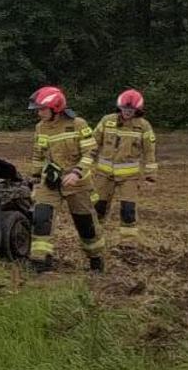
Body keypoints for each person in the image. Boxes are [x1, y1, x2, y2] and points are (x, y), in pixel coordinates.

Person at [27, 86, 104, 272]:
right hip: (51, 182)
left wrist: (77, 172)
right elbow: (38, 155)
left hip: (77, 183)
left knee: (85, 224)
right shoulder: (40, 127)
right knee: (41, 217)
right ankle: (40, 261)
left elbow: (91, 151)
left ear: (56, 108)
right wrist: (35, 179)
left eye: (42, 109)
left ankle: (96, 259)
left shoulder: (78, 124)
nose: (38, 113)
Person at [90, 89, 158, 243]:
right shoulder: (107, 121)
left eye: (131, 109)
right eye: (125, 108)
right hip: (103, 175)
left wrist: (150, 177)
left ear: (138, 110)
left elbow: (149, 152)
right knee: (98, 207)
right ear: (119, 107)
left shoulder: (143, 126)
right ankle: (93, 238)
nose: (127, 112)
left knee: (128, 209)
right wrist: (83, 165)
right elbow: (93, 144)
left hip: (129, 177)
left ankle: (128, 243)